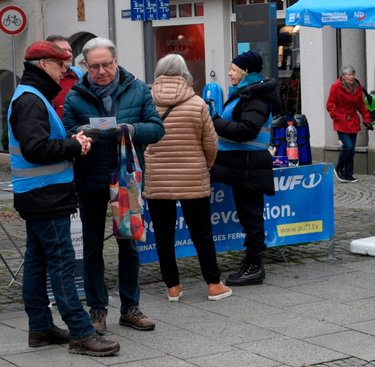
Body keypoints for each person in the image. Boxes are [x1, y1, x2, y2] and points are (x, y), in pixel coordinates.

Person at [8, 41, 119, 356]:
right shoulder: (32, 99)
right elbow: (36, 149)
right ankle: (81, 333)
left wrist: (69, 139)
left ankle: (40, 327)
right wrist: (74, 146)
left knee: (37, 260)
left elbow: (39, 143)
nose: (65, 71)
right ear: (44, 64)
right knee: (61, 263)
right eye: (60, 65)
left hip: (37, 193)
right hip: (46, 195)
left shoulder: (30, 95)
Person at [63, 37, 165, 335]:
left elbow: (157, 128)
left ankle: (130, 308)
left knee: (129, 243)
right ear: (85, 65)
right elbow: (66, 133)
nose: (101, 71)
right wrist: (81, 132)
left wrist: (131, 129)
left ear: (116, 61)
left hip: (125, 179)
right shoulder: (75, 95)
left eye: (106, 64)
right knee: (92, 248)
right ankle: (97, 309)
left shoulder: (138, 88)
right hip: (91, 178)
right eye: (94, 66)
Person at [143, 54, 232, 302]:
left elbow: (140, 139)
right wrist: (204, 166)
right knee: (202, 232)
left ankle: (172, 287)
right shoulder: (197, 103)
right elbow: (211, 144)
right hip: (193, 176)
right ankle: (213, 284)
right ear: (185, 73)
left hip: (158, 177)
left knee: (163, 234)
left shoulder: (147, 103)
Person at [210, 51, 282, 286]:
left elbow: (246, 131)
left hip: (249, 166)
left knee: (251, 217)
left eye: (233, 69)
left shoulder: (255, 97)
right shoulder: (245, 94)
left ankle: (255, 267)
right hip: (242, 165)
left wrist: (215, 121)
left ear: (245, 72)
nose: (229, 73)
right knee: (247, 216)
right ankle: (251, 263)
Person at [326, 65, 373, 183]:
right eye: (349, 75)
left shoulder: (358, 87)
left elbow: (361, 105)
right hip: (341, 122)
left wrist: (367, 119)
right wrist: (337, 117)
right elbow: (330, 105)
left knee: (351, 150)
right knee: (348, 146)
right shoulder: (336, 87)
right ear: (343, 76)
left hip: (353, 121)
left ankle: (348, 174)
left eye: (353, 74)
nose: (351, 77)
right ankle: (338, 168)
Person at [45, 35, 84, 120]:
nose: (69, 54)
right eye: (63, 50)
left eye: (70, 51)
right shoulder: (43, 79)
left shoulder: (78, 75)